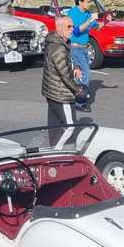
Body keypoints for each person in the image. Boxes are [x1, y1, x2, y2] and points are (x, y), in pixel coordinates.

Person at [42, 15, 85, 149]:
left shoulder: (60, 42)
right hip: (61, 93)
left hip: (52, 91)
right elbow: (64, 73)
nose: (72, 29)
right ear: (59, 28)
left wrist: (75, 68)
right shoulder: (58, 47)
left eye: (73, 26)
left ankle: (52, 148)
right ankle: (55, 150)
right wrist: (77, 89)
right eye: (69, 26)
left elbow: (66, 64)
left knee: (54, 125)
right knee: (70, 126)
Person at [67, 0, 102, 111]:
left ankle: (74, 97)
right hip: (76, 48)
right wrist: (90, 19)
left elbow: (96, 26)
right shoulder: (73, 13)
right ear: (80, 2)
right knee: (85, 74)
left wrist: (105, 20)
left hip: (85, 48)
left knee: (79, 75)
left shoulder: (87, 13)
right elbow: (76, 31)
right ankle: (80, 102)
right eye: (87, 2)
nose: (89, 4)